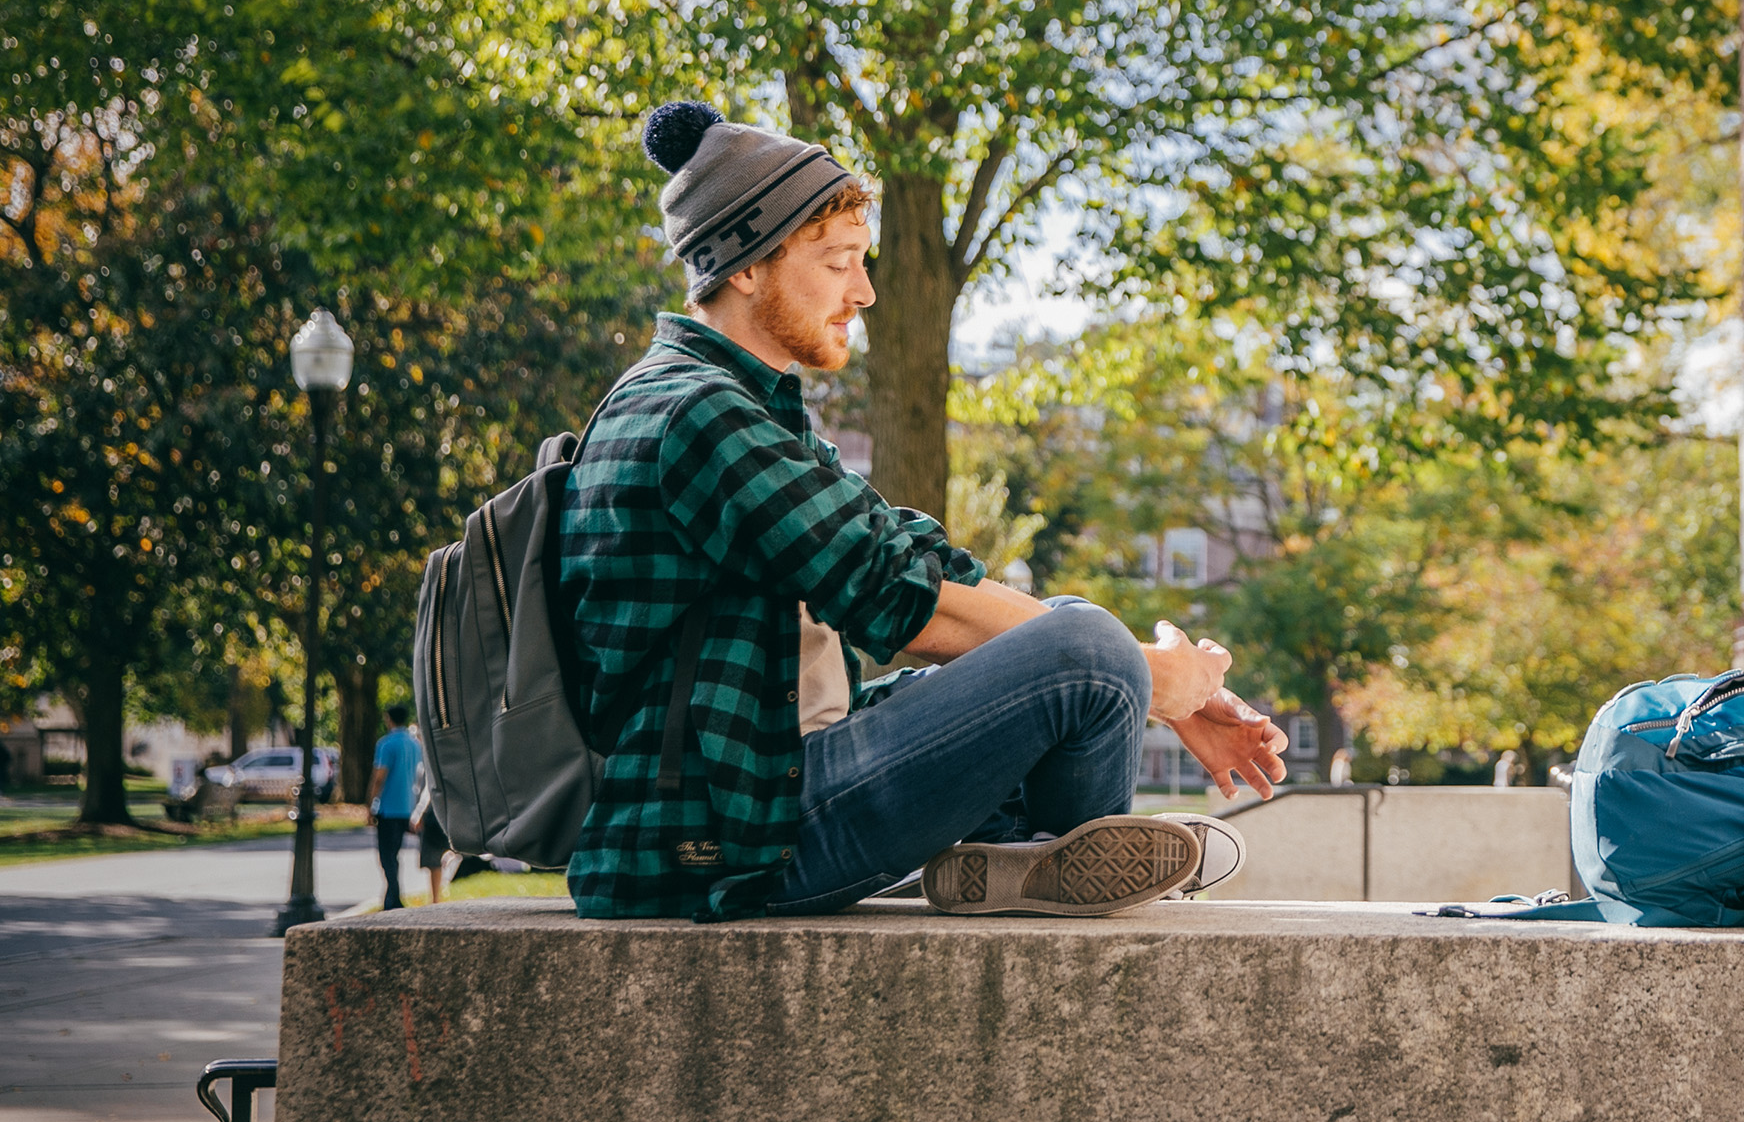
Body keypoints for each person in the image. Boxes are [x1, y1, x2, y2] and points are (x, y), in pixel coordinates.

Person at [558, 103, 1290, 922]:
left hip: (776, 775)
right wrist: (1140, 676)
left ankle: (1031, 865)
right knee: (1086, 647)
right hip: (722, 834)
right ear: (745, 267)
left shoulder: (748, 407)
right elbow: (900, 603)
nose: (864, 291)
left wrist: (1131, 681)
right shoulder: (694, 415)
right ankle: (1061, 852)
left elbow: (920, 561)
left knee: (1076, 626)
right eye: (839, 263)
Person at [366, 705, 425, 911]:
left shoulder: (386, 744)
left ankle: (394, 896)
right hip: (408, 806)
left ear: (388, 719)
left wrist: (370, 804)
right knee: (395, 853)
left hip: (388, 807)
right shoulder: (415, 745)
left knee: (386, 856)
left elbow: (379, 777)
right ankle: (391, 897)